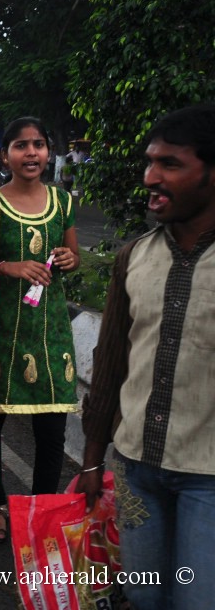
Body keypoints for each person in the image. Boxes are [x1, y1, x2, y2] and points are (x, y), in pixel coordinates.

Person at [78, 105, 215, 610]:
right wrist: (93, 462)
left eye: (171, 164)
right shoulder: (133, 256)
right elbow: (111, 361)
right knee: (143, 599)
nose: (150, 178)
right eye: (150, 162)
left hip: (210, 475)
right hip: (136, 469)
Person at [0, 117, 80, 544]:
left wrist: (71, 260)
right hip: (4, 330)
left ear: (48, 152)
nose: (31, 152)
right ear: (6, 154)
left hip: (52, 332)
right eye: (21, 145)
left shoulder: (63, 201)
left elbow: (73, 254)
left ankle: (41, 510)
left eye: (39, 144)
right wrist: (6, 266)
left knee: (51, 431)